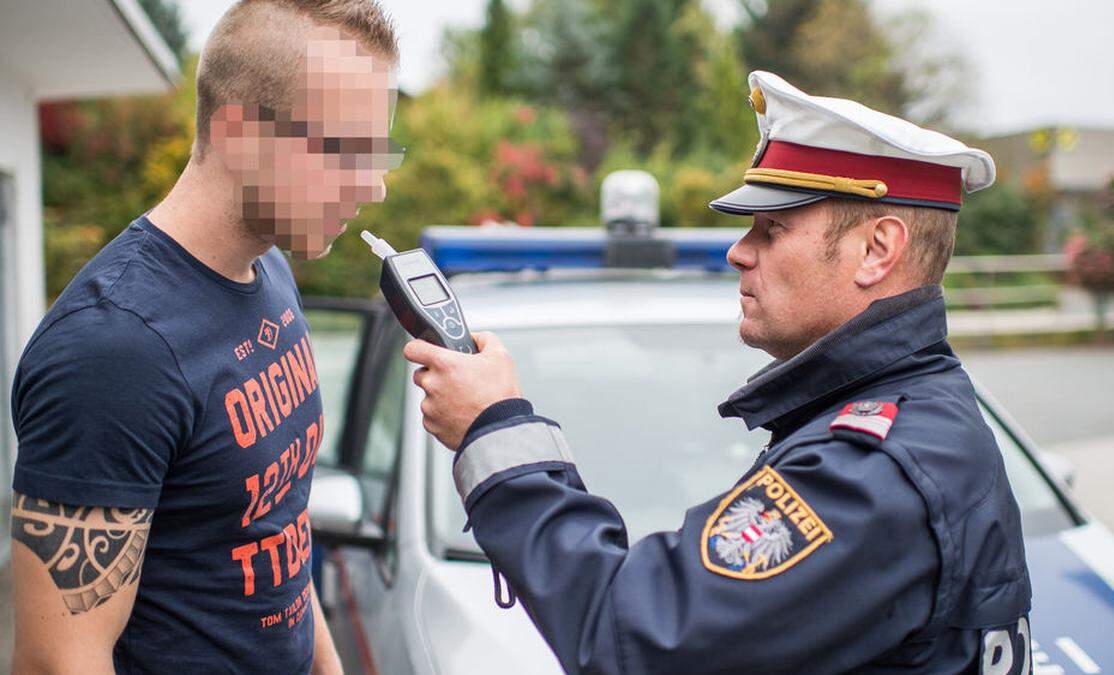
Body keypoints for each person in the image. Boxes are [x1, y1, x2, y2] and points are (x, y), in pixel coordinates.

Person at [406, 71, 1033, 674]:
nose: (739, 251)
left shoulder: (870, 476)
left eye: (772, 228)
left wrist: (494, 432)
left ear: (876, 250)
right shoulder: (911, 419)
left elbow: (627, 637)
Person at [9, 1, 401, 672]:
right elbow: (59, 661)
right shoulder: (113, 348)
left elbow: (279, 522)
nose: (374, 185)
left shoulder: (270, 269)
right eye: (344, 150)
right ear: (239, 133)